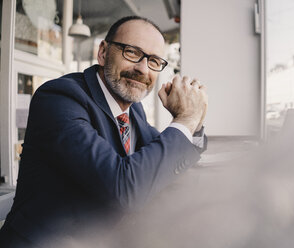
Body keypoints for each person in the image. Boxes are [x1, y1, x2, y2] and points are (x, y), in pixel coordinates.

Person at [0, 16, 207, 247]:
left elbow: (161, 157)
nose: (142, 68)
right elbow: (124, 187)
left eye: (154, 61)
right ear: (103, 52)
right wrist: (185, 119)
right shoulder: (60, 98)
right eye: (131, 52)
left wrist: (195, 124)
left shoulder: (133, 109)